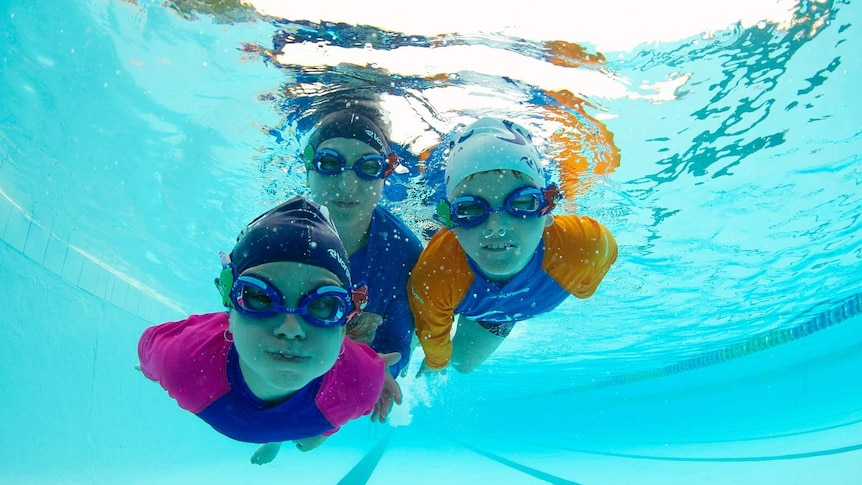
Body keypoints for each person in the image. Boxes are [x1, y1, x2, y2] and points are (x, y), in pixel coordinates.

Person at [138, 196, 401, 465]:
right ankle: (277, 435)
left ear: (346, 320)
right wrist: (151, 367)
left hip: (322, 409)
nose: (290, 329)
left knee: (311, 440)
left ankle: (277, 435)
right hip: (321, 404)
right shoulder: (183, 361)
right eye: (260, 298)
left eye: (323, 304)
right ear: (230, 309)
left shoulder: (360, 383)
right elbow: (148, 346)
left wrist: (370, 373)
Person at [408, 117, 618, 375]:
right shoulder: (434, 273)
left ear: (547, 209)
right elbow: (433, 337)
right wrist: (434, 360)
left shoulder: (583, 248)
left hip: (491, 314)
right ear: (451, 221)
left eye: (523, 204)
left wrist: (439, 362)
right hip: (451, 294)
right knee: (415, 339)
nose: (496, 226)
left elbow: (590, 279)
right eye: (470, 209)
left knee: (461, 365)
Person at [304, 108, 424, 379]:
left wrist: (371, 369)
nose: (347, 186)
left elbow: (395, 352)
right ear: (309, 169)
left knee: (460, 360)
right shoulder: (273, 238)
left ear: (384, 175)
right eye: (329, 164)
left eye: (368, 167)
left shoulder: (404, 252)